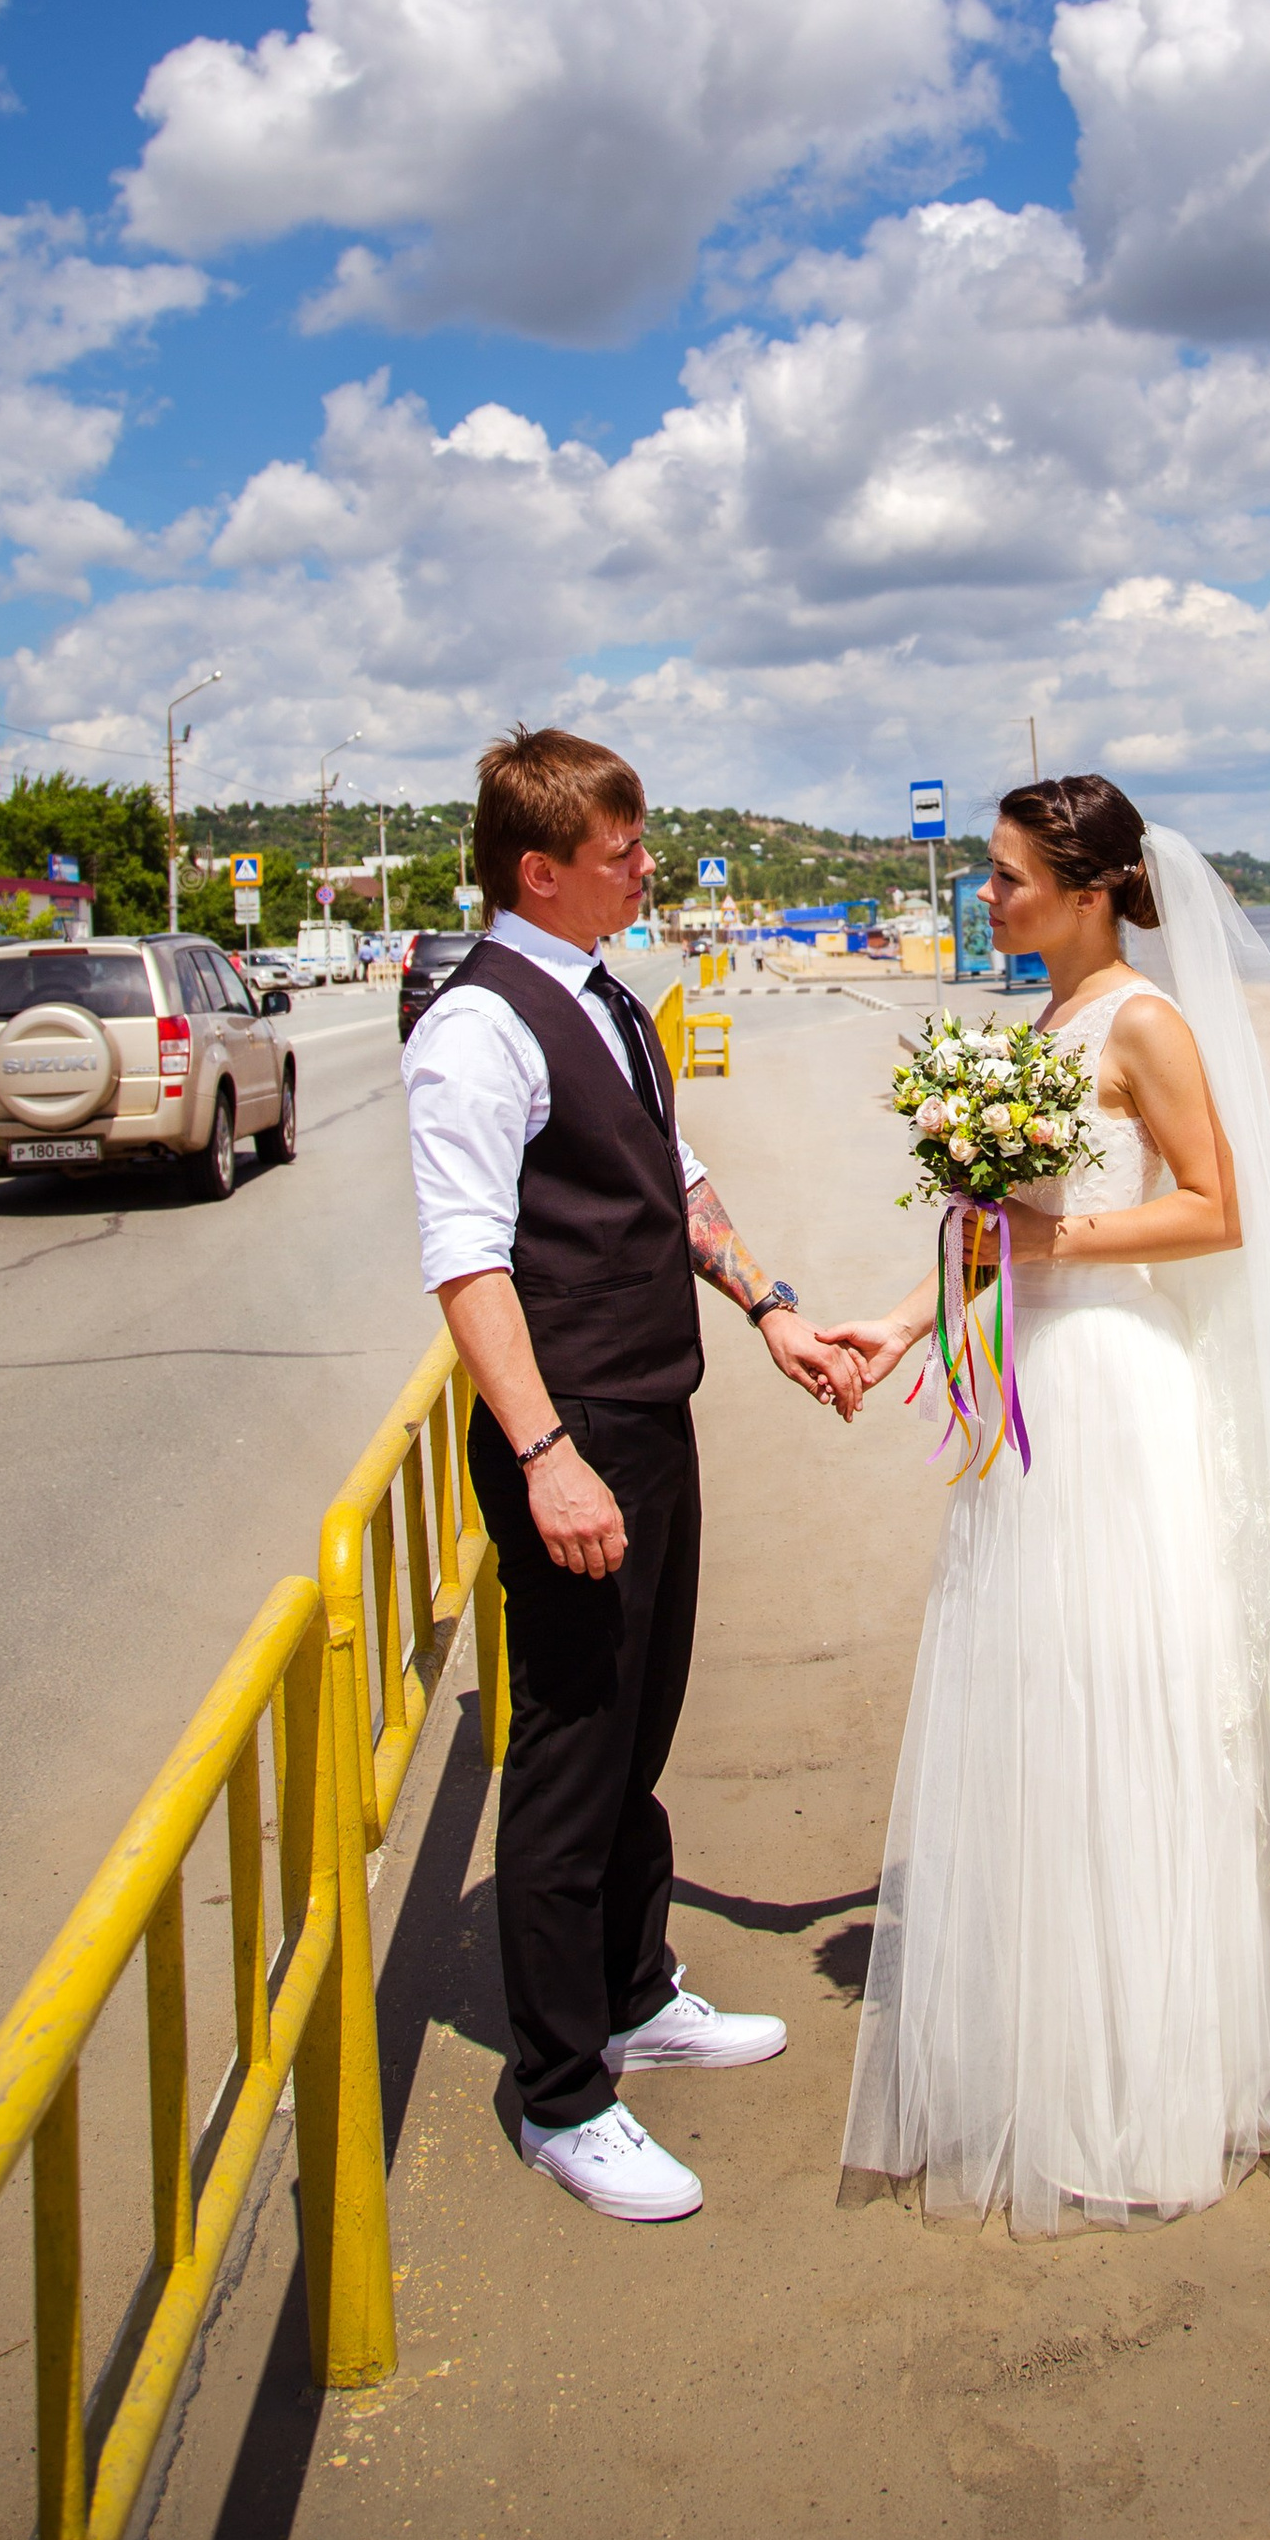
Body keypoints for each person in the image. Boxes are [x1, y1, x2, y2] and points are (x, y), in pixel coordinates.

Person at [827, 777, 1270, 2236]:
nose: (980, 900)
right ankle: (1056, 2045)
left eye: (1002, 877)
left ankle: (1148, 2080)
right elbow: (995, 1238)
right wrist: (898, 1324)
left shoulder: (1144, 1022)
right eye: (984, 877)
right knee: (1046, 1711)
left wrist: (1066, 1237)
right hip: (1033, 1388)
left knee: (1131, 1701)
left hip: (1120, 1398)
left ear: (1090, 887)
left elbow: (1220, 1205)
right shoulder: (1042, 1031)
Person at [405, 726, 865, 2225]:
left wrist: (771, 1307)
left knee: (641, 1721)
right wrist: (544, 1456)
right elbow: (469, 1264)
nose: (645, 868)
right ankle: (560, 2093)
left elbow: (671, 1177)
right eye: (622, 853)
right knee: (569, 1746)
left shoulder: (606, 996)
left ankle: (631, 1987)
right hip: (575, 1434)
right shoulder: (476, 1026)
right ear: (541, 871)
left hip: (648, 1413)